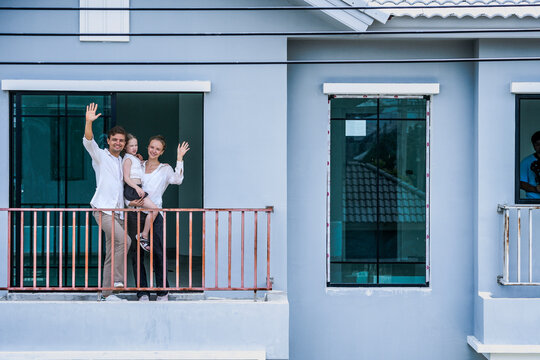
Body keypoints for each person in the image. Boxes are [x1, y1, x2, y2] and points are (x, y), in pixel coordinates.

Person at [127, 135, 190, 301]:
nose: (153, 151)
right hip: (136, 214)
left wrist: (179, 158)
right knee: (137, 256)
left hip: (156, 215)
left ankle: (162, 291)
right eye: (151, 147)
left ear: (162, 152)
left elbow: (178, 179)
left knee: (158, 253)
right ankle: (142, 292)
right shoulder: (138, 164)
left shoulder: (165, 169)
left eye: (157, 149)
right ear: (147, 147)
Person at [83, 103, 131, 301]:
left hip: (119, 213)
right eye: (115, 140)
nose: (118, 143)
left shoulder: (124, 161)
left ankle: (105, 293)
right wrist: (88, 122)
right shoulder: (101, 156)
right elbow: (88, 141)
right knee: (125, 241)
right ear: (109, 141)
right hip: (103, 210)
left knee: (112, 252)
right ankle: (117, 281)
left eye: (121, 141)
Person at [122, 133, 159, 252]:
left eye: (136, 145)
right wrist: (137, 188)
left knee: (154, 210)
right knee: (155, 209)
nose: (134, 148)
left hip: (137, 188)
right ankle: (144, 236)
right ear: (125, 147)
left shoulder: (135, 158)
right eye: (131, 145)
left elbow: (140, 168)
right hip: (133, 189)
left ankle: (143, 235)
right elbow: (126, 178)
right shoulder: (127, 159)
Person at [520, 131, 540, 199]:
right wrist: (536, 189)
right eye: (537, 144)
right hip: (532, 202)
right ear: (533, 146)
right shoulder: (526, 162)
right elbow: (521, 183)